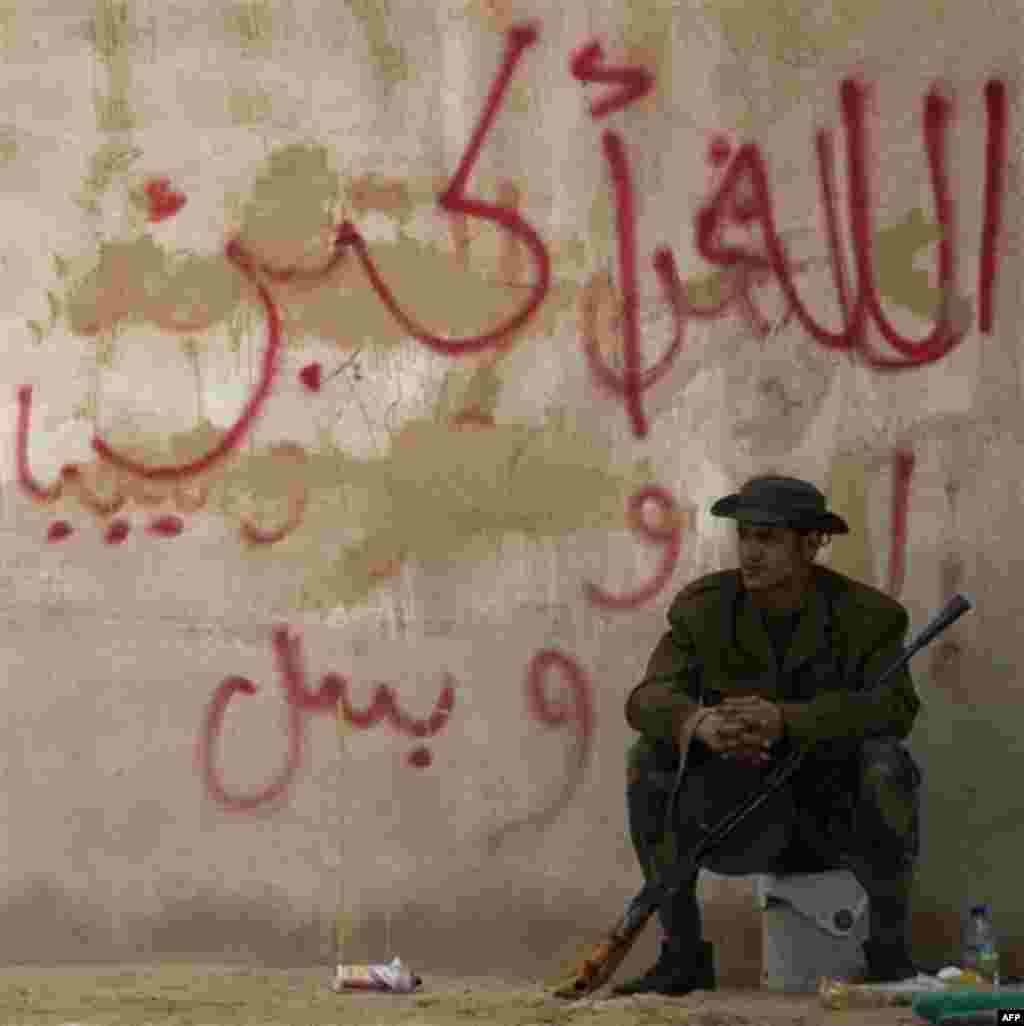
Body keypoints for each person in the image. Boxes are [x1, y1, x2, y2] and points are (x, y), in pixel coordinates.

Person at [615, 475, 923, 996]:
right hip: (741, 814)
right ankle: (681, 957)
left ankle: (889, 957)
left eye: (769, 539)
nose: (751, 553)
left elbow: (894, 709)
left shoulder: (868, 619)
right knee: (649, 759)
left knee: (888, 765)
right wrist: (700, 724)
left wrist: (787, 721)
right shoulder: (705, 609)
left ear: (811, 544)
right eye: (746, 537)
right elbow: (647, 698)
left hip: (833, 818)